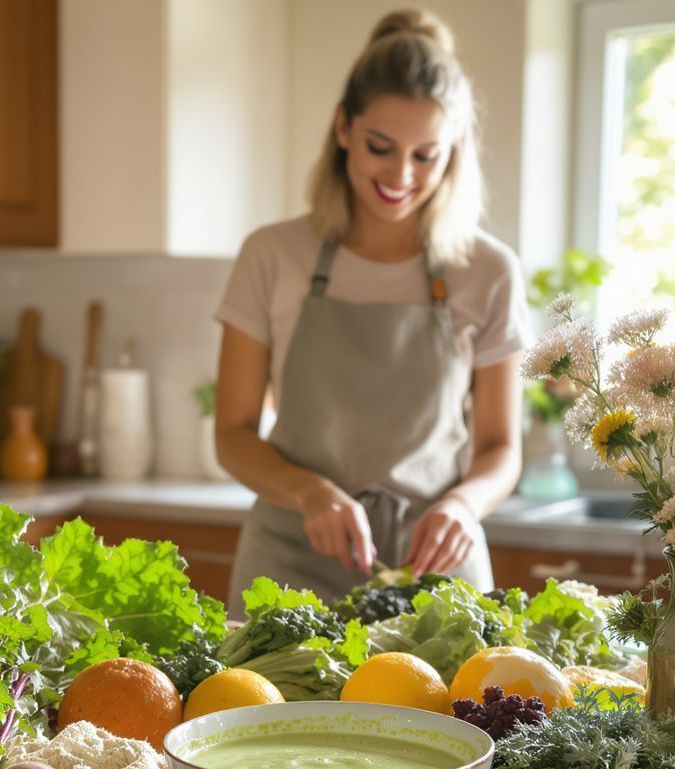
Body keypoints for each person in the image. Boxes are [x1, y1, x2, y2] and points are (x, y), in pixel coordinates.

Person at [213, 8, 529, 619]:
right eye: (380, 148)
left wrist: (463, 506)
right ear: (342, 127)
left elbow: (499, 447)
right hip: (288, 567)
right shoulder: (273, 255)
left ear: (453, 153)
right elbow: (231, 435)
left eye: (426, 156)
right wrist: (310, 494)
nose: (401, 176)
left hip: (434, 572)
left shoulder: (488, 270)